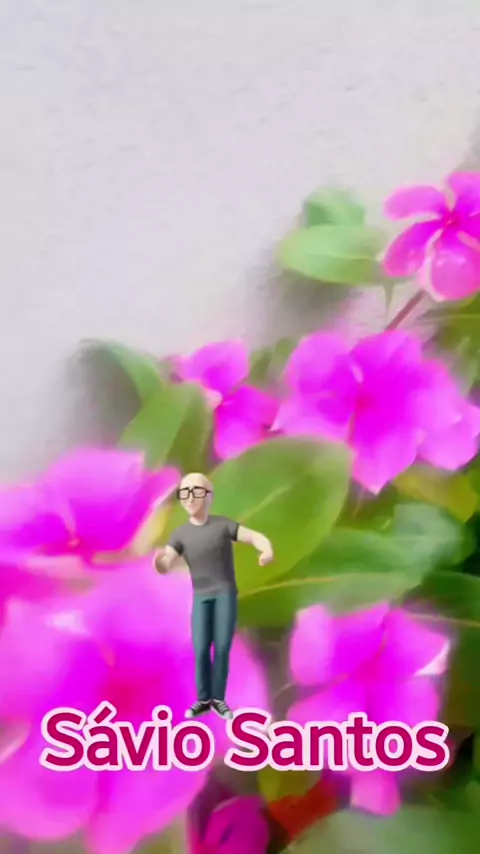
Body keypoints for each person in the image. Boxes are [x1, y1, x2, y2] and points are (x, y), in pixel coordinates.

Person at [154, 471, 273, 719]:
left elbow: (250, 535)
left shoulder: (221, 525)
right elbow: (167, 560)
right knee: (198, 649)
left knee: (221, 647)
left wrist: (264, 548)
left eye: (196, 492)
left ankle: (219, 699)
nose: (190, 497)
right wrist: (158, 565)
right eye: (185, 493)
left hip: (223, 594)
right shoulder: (182, 533)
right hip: (195, 596)